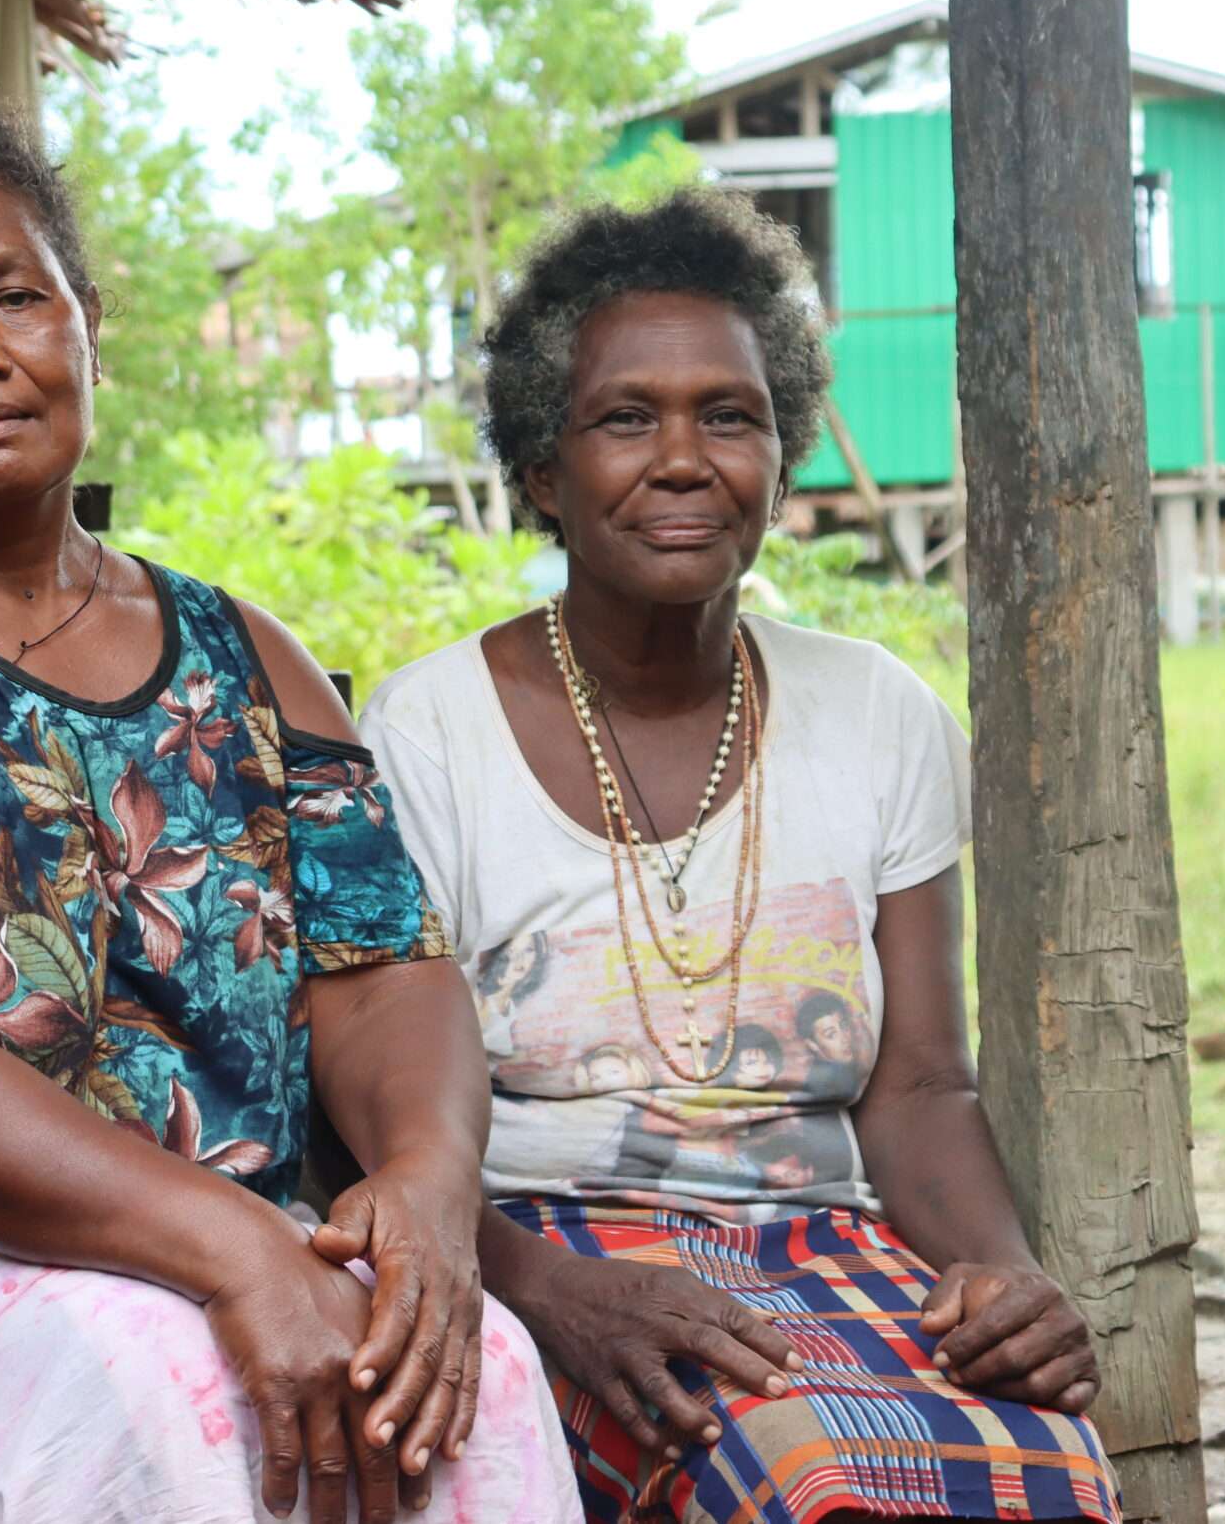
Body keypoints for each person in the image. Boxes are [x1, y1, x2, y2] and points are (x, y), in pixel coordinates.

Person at [0, 113, 575, 1524]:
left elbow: (388, 977)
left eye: (15, 296)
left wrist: (425, 1179)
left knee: (484, 1375)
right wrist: (232, 1247)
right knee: (185, 1383)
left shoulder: (247, 656)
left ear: (88, 327)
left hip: (222, 1233)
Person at [359, 188, 1120, 1524]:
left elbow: (920, 1084)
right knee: (805, 1481)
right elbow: (367, 1120)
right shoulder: (427, 733)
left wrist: (1005, 1279)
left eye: (729, 416)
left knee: (1051, 1479)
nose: (683, 460)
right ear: (541, 470)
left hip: (828, 1241)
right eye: (624, 418)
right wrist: (550, 1290)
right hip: (539, 1243)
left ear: (782, 449)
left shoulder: (875, 711)